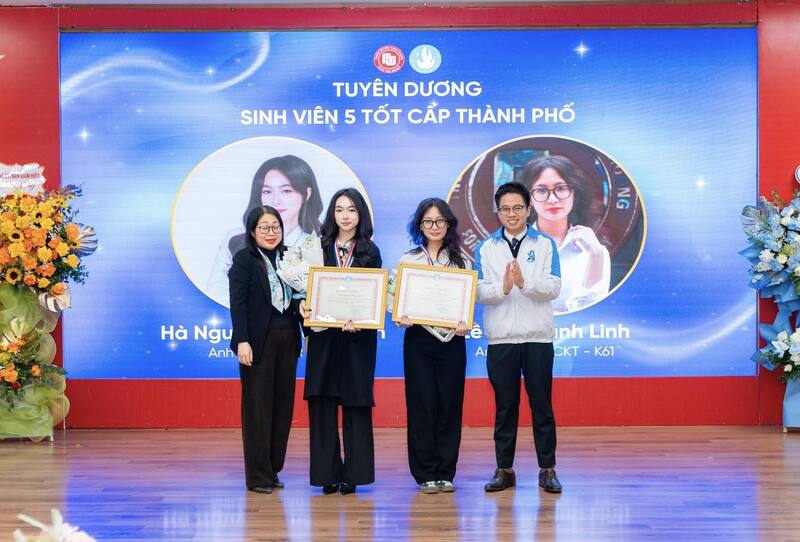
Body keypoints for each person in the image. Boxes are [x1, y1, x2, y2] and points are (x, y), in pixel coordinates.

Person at [474, 181, 563, 494]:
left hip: (538, 338)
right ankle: (504, 469)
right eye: (505, 209)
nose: (511, 214)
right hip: (501, 340)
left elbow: (554, 287)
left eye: (517, 208)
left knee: (542, 406)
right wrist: (503, 288)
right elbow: (478, 291)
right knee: (505, 407)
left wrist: (525, 283)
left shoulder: (545, 244)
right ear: (498, 213)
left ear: (528, 209)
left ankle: (547, 469)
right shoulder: (486, 247)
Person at [299, 188, 381, 495]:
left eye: (352, 210)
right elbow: (303, 292)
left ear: (361, 215)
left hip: (357, 340)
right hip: (324, 339)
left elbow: (374, 297)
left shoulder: (370, 251)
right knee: (322, 404)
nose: (345, 216)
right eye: (339, 210)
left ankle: (354, 475)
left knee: (356, 405)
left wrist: (361, 318)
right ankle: (326, 474)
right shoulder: (317, 248)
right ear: (331, 214)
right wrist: (302, 306)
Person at [396, 198, 470, 494]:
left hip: (453, 340)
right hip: (419, 339)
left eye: (440, 221)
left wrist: (464, 321)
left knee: (450, 405)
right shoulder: (408, 261)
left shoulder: (462, 262)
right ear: (420, 226)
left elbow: (467, 302)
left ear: (448, 224)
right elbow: (396, 301)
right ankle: (425, 472)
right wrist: (400, 315)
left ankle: (445, 472)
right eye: (428, 221)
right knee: (421, 404)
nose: (434, 226)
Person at [228, 205, 303, 494]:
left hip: (288, 338)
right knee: (257, 409)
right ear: (252, 231)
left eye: (275, 227)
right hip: (258, 342)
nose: (271, 233)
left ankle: (273, 470)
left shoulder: (289, 257)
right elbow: (238, 304)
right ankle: (258, 476)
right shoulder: (244, 260)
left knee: (282, 408)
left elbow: (296, 296)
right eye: (264, 228)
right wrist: (242, 340)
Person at [210, 155, 323, 303]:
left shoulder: (318, 244)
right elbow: (218, 291)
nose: (275, 200)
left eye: (286, 191)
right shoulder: (235, 241)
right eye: (267, 192)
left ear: (306, 194)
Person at [521, 154, 611, 313]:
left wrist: (595, 256)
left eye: (561, 189)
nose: (552, 199)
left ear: (575, 194)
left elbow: (594, 314)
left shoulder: (595, 251)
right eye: (541, 190)